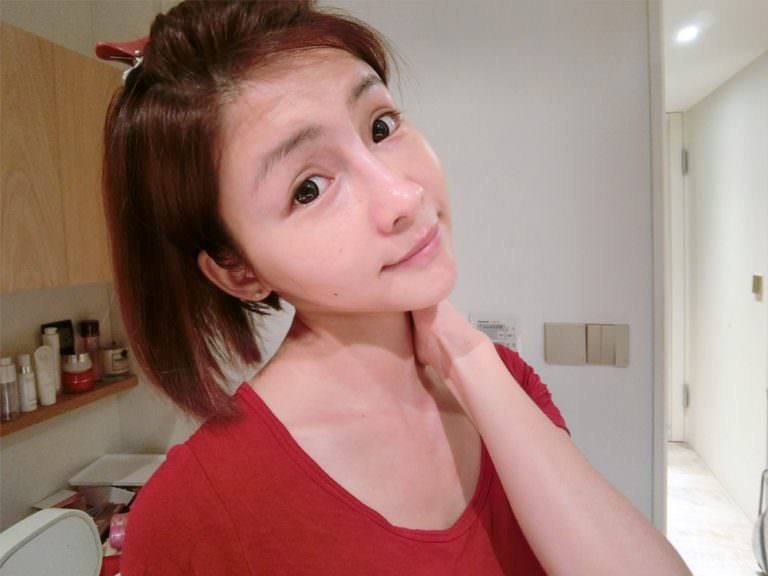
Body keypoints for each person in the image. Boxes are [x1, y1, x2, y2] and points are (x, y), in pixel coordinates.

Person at [100, 1, 691, 574]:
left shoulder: (505, 383)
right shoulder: (192, 513)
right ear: (239, 271)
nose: (404, 196)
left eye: (380, 127)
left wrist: (470, 358)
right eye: (309, 188)